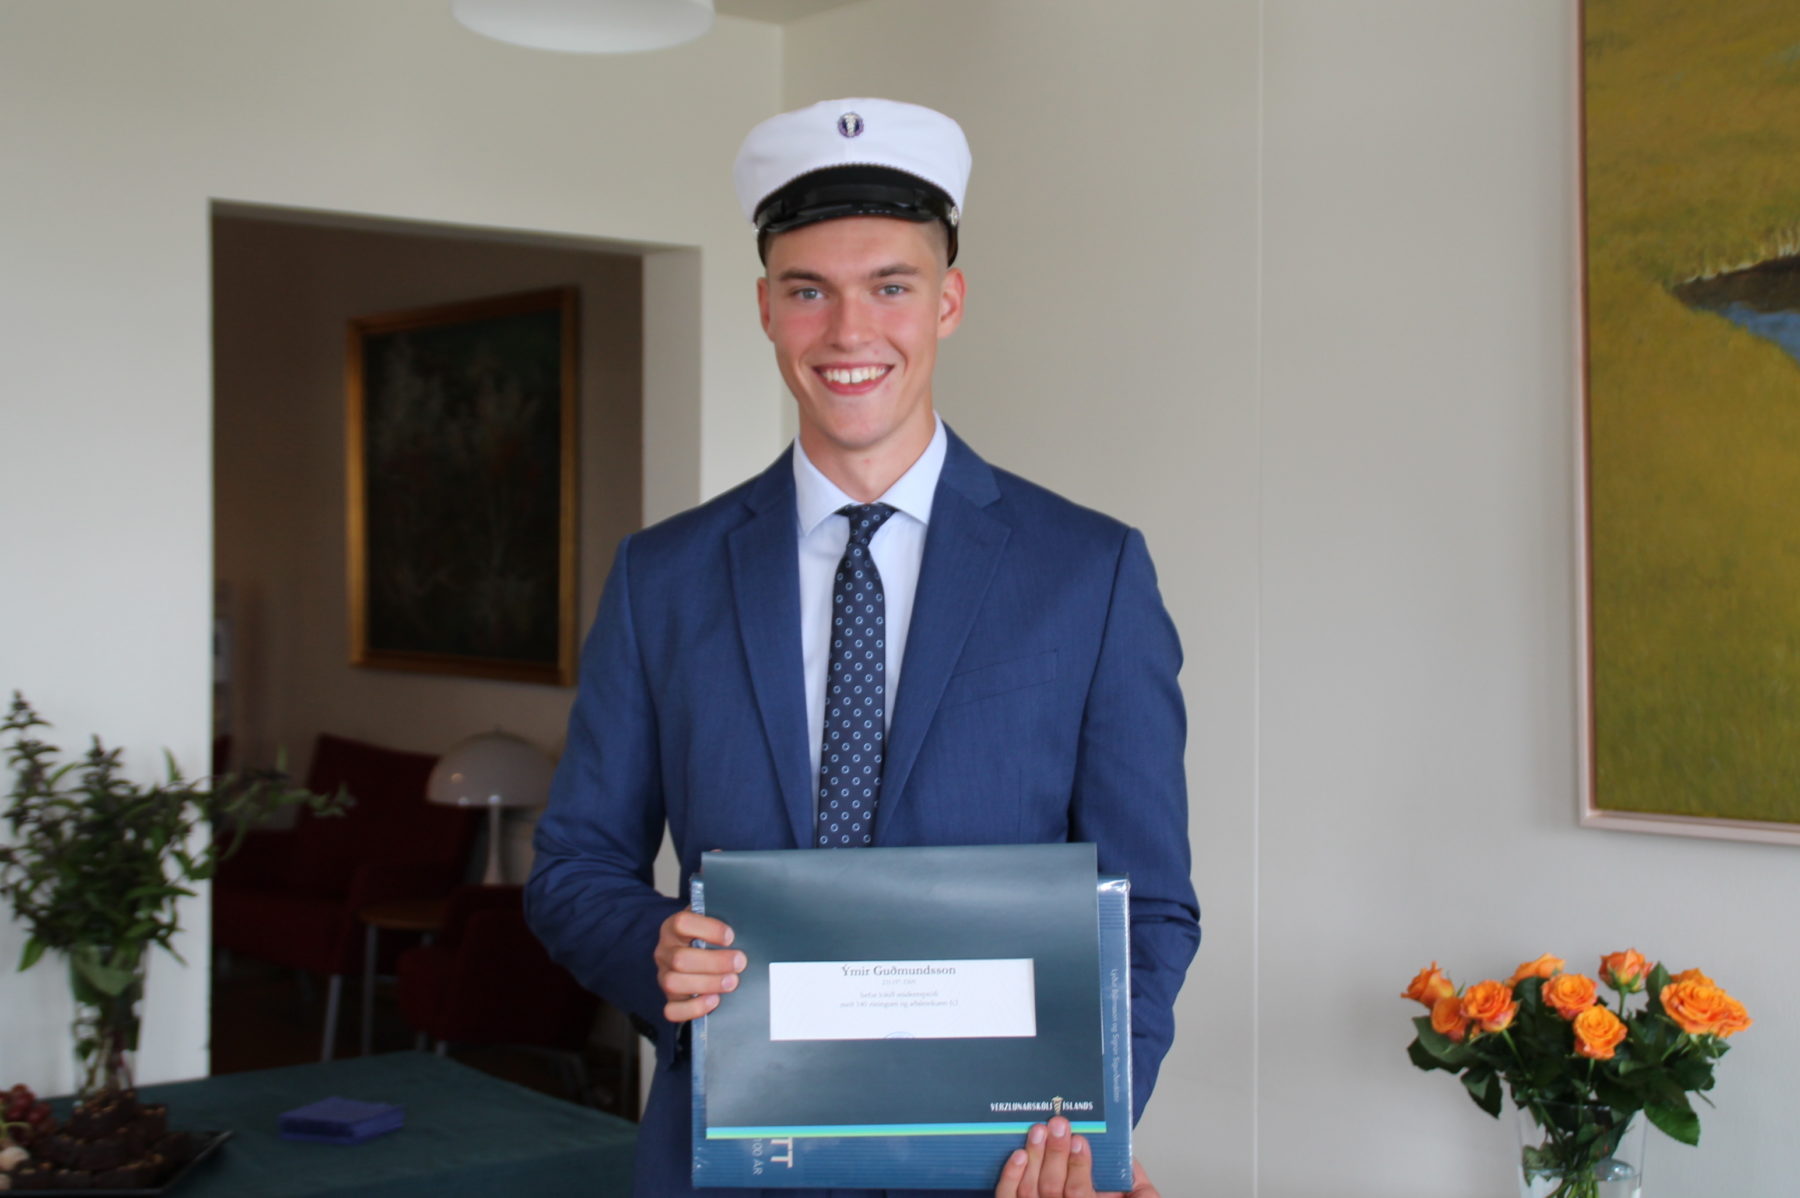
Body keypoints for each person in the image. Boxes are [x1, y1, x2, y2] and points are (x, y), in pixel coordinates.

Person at [525, 97, 1199, 1198]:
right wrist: (651, 944)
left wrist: (1092, 1125)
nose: (848, 333)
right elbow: (574, 869)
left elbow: (1149, 904)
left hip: (998, 1172)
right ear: (765, 308)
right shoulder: (663, 577)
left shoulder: (1090, 571)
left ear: (949, 301)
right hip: (725, 1160)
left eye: (890, 286)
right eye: (808, 291)